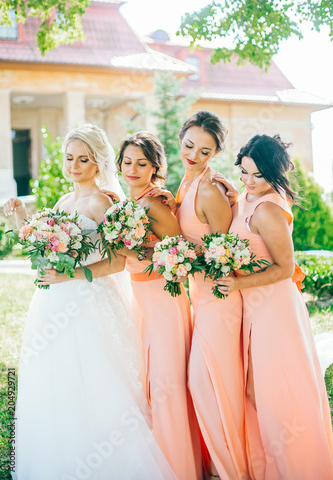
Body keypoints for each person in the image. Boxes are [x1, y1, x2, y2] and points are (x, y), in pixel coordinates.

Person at [4, 124, 177, 480]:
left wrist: (71, 276)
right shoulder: (62, 203)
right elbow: (46, 254)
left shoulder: (106, 203)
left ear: (98, 162)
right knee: (56, 384)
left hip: (88, 302)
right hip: (52, 303)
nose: (75, 165)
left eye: (84, 159)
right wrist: (20, 220)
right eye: (70, 158)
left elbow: (116, 262)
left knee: (96, 384)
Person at [216, 134, 333, 480]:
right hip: (254, 308)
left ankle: (300, 469)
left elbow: (284, 268)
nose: (249, 182)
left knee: (280, 391)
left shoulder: (269, 209)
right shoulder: (249, 197)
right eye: (244, 173)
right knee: (257, 390)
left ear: (274, 174)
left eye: (258, 176)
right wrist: (232, 193)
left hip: (274, 311)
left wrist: (237, 282)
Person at [150, 111, 249, 480]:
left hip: (220, 304)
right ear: (180, 140)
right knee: (204, 388)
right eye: (189, 145)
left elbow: (226, 256)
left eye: (204, 151)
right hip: (199, 301)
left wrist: (180, 262)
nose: (193, 155)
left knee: (207, 387)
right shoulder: (185, 183)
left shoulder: (209, 189)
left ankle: (230, 472)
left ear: (215, 154)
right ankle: (213, 469)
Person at [115, 131, 202, 480]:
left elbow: (182, 251)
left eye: (142, 163)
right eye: (127, 162)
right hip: (141, 299)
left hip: (164, 299)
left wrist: (136, 251)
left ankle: (178, 468)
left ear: (155, 168)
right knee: (150, 381)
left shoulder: (154, 203)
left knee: (166, 382)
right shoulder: (128, 203)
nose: (132, 169)